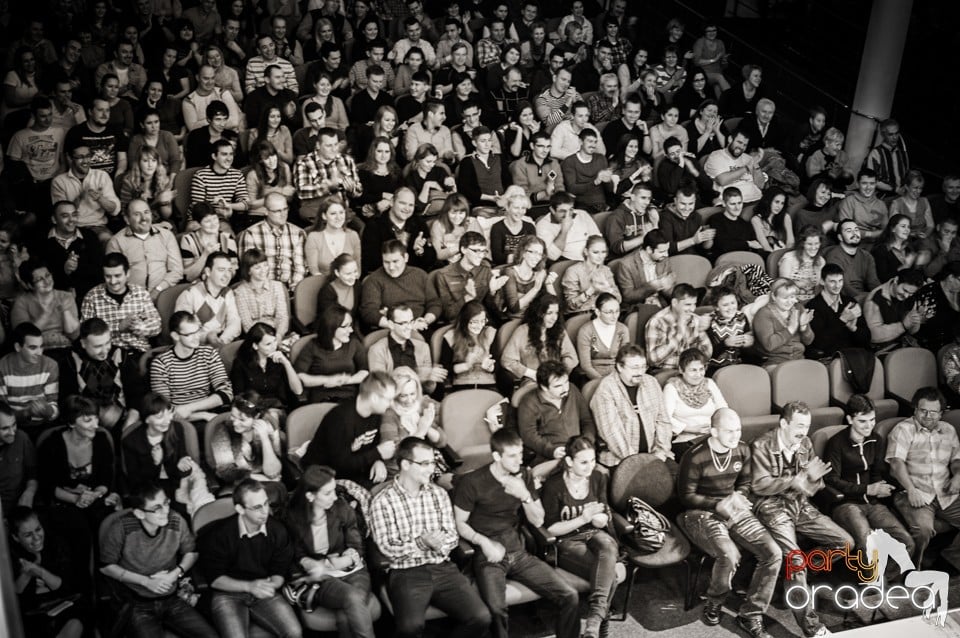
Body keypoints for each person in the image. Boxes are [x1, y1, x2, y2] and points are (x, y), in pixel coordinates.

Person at [453, 428, 581, 638]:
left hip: (518, 552)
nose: (518, 460)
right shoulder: (472, 482)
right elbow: (460, 523)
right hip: (488, 556)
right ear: (496, 456)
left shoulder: (524, 475)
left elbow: (538, 520)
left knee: (570, 595)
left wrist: (525, 496)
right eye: (512, 456)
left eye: (520, 454)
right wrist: (483, 542)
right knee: (496, 610)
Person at [368, 436, 492, 638]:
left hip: (442, 567)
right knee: (410, 628)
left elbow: (451, 535)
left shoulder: (439, 494)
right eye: (424, 463)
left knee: (481, 617)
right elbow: (386, 547)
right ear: (406, 464)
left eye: (433, 462)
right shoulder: (382, 501)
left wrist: (437, 544)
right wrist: (421, 543)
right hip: (406, 574)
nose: (432, 469)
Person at [751, 401, 854, 638]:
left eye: (807, 426)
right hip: (771, 506)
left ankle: (795, 575)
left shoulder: (805, 444)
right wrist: (795, 481)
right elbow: (759, 484)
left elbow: (815, 482)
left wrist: (812, 481)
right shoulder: (761, 445)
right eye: (798, 425)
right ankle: (812, 627)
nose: (803, 432)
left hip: (800, 504)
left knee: (845, 543)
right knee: (796, 562)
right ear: (784, 423)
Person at [677, 408, 781, 638]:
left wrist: (738, 497)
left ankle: (751, 613)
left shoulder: (742, 449)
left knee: (773, 553)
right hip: (700, 513)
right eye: (729, 431)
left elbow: (745, 482)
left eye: (738, 430)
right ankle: (715, 599)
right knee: (729, 555)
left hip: (733, 509)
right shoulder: (695, 456)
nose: (736, 436)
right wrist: (717, 504)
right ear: (713, 431)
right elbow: (686, 496)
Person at [100, 482, 217, 638]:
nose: (166, 511)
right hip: (137, 603)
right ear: (140, 514)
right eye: (157, 508)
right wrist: (146, 581)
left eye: (166, 503)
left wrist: (175, 574)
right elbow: (106, 566)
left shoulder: (176, 520)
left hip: (172, 599)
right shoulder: (121, 527)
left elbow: (192, 553)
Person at [198, 479, 301, 638]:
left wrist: (271, 585)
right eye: (257, 507)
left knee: (294, 633)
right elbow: (215, 578)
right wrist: (249, 586)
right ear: (240, 509)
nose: (265, 512)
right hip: (228, 593)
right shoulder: (219, 534)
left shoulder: (278, 531)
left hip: (264, 586)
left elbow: (280, 570)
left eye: (266, 504)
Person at [284, 466, 377, 638]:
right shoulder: (292, 517)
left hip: (353, 571)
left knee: (345, 617)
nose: (335, 497)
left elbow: (357, 545)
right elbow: (294, 552)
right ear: (310, 496)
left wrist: (345, 560)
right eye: (327, 493)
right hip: (322, 577)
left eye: (334, 490)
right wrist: (308, 562)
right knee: (353, 597)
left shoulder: (341, 507)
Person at [541, 436, 619, 638]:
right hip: (566, 541)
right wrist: (583, 517)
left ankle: (593, 622)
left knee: (608, 545)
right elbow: (551, 529)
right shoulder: (553, 486)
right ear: (569, 461)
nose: (590, 467)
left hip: (592, 533)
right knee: (611, 577)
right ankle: (598, 623)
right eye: (583, 462)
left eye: (592, 460)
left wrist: (601, 517)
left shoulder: (598, 477)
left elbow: (604, 510)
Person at [824, 395, 916, 560]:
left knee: (906, 542)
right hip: (846, 504)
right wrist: (868, 489)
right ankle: (875, 583)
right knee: (868, 544)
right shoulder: (836, 443)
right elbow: (832, 480)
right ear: (850, 420)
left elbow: (876, 472)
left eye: (872, 420)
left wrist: (881, 488)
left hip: (872, 503)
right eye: (863, 421)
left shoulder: (876, 439)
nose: (869, 426)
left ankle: (882, 580)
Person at [886, 387, 960, 568]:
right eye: (923, 410)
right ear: (915, 410)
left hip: (945, 492)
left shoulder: (948, 430)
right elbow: (896, 463)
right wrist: (911, 490)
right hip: (914, 491)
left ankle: (950, 558)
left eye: (933, 412)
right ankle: (911, 570)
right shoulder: (903, 429)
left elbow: (956, 460)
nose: (928, 416)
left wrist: (958, 476)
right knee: (923, 530)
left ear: (941, 413)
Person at [300, 371, 396, 488]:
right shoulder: (340, 419)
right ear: (375, 398)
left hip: (354, 472)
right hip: (323, 476)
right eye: (389, 399)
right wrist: (377, 454)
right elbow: (340, 465)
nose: (391, 404)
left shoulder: (376, 414)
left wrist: (377, 460)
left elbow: (372, 446)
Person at [38, 396, 119, 529]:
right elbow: (47, 486)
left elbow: (106, 480)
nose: (96, 425)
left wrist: (95, 494)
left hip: (95, 501)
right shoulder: (51, 444)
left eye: (96, 418)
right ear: (71, 423)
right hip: (64, 503)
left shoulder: (101, 440)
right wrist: (75, 499)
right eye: (88, 420)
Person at [9, 506, 87, 638]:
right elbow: (15, 596)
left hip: (62, 604)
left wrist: (39, 571)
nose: (36, 538)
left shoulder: (57, 544)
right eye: (28, 535)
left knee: (77, 620)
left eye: (38, 529)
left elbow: (65, 587)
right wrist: (27, 573)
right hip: (31, 614)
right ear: (16, 538)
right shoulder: (10, 554)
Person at [591, 344, 674, 467]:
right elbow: (612, 433)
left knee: (678, 476)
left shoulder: (651, 382)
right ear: (620, 367)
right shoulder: (606, 390)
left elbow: (663, 420)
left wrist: (661, 450)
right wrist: (640, 462)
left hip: (654, 455)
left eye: (643, 367)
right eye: (635, 368)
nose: (640, 372)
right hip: (620, 460)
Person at [150, 311, 234, 424]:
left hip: (208, 417)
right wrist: (202, 415)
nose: (196, 338)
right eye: (189, 334)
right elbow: (164, 410)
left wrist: (189, 408)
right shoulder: (161, 363)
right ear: (175, 336)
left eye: (197, 331)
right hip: (177, 423)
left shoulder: (208, 353)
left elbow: (226, 393)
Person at [518, 359, 596, 469]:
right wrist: (551, 450)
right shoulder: (529, 402)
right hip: (550, 456)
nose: (565, 388)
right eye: (558, 386)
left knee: (602, 475)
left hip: (580, 451)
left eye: (566, 382)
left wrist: (586, 442)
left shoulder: (572, 390)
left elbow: (586, 420)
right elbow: (529, 435)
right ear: (544, 387)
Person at [80, 252, 161, 356]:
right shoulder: (92, 296)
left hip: (138, 351)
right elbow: (85, 332)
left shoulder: (141, 293)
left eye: (117, 276)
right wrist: (118, 327)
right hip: (106, 354)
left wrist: (141, 327)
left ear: (127, 273)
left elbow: (157, 325)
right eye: (108, 276)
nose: (113, 281)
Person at [121, 393, 198, 501]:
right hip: (150, 493)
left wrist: (182, 465)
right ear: (146, 419)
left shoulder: (177, 429)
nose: (167, 420)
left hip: (176, 486)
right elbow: (135, 483)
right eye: (160, 417)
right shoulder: (130, 442)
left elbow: (183, 468)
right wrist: (155, 463)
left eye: (169, 413)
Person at [105, 199, 183, 301]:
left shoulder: (166, 236)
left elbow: (177, 271)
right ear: (127, 219)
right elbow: (114, 277)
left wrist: (158, 290)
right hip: (131, 299)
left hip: (163, 296)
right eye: (137, 214)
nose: (143, 218)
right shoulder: (116, 242)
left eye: (146, 212)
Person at [208, 392, 284, 496]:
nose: (235, 423)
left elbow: (273, 473)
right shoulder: (222, 430)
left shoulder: (268, 427)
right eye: (233, 416)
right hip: (237, 485)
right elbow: (225, 472)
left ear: (257, 417)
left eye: (242, 419)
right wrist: (262, 478)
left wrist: (265, 439)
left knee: (278, 492)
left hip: (268, 483)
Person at [380, 366, 447, 478]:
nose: (410, 400)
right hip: (400, 472)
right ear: (394, 395)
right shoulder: (389, 414)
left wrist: (427, 427)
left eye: (412, 394)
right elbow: (393, 454)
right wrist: (420, 432)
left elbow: (442, 441)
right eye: (403, 396)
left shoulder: (421, 405)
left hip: (426, 467)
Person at [359, 239, 440, 332]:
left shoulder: (421, 275)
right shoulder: (374, 280)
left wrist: (425, 321)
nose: (391, 267)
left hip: (420, 327)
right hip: (389, 329)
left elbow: (435, 303)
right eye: (386, 262)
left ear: (406, 258)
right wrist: (393, 325)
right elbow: (368, 311)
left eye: (395, 261)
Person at [663, 348, 728, 459]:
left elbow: (723, 410)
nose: (698, 374)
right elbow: (665, 419)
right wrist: (691, 429)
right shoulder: (671, 388)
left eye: (701, 369)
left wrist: (715, 428)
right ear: (681, 370)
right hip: (684, 439)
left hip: (712, 436)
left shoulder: (710, 384)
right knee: (704, 458)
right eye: (693, 370)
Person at [50, 142, 121, 243]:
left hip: (97, 226)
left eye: (88, 156)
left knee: (108, 240)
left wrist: (100, 198)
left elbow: (115, 210)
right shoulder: (59, 181)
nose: (85, 161)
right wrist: (80, 197)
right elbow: (60, 214)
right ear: (70, 158)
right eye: (80, 157)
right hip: (71, 228)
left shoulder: (101, 176)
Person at [295, 305, 367, 404]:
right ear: (331, 327)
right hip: (322, 397)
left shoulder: (354, 344)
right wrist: (327, 380)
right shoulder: (312, 346)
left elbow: (365, 371)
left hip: (349, 396)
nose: (351, 330)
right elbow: (300, 376)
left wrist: (345, 380)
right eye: (345, 326)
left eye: (350, 325)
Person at [502, 293, 578, 386]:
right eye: (549, 313)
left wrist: (559, 373)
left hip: (557, 380)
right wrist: (532, 374)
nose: (554, 318)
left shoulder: (560, 331)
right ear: (539, 313)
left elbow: (572, 357)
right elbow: (507, 360)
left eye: (556, 313)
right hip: (532, 381)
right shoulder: (522, 331)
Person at [368, 305, 447, 393]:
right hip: (390, 402)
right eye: (403, 323)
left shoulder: (423, 347)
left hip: (418, 399)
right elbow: (380, 387)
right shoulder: (377, 350)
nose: (409, 327)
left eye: (411, 322)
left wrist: (430, 381)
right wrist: (420, 376)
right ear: (391, 324)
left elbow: (428, 390)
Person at [12, 259, 80, 359]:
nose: (46, 281)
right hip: (36, 352)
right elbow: (23, 337)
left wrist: (65, 311)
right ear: (30, 285)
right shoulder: (21, 302)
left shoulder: (65, 296)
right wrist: (46, 314)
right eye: (39, 279)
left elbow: (74, 335)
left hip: (65, 350)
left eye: (47, 275)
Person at [237, 193, 305, 292]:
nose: (283, 214)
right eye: (277, 211)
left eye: (285, 209)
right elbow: (249, 270)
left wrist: (293, 289)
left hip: (290, 290)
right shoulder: (250, 234)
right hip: (259, 289)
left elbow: (300, 268)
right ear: (266, 211)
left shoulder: (298, 233)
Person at [360, 187, 435, 276]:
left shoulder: (419, 223)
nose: (407, 208)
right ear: (392, 202)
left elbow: (431, 260)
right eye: (403, 203)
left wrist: (420, 252)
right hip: (385, 278)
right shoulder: (374, 226)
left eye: (411, 205)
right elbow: (370, 263)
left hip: (412, 277)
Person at [435, 231, 508, 322]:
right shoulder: (444, 275)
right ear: (463, 250)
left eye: (483, 251)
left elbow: (490, 306)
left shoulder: (485, 269)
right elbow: (448, 314)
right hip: (458, 323)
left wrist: (492, 291)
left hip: (481, 320)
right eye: (476, 251)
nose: (481, 255)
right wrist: (468, 297)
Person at [0, 323, 60, 432]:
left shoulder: (50, 365)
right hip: (13, 427)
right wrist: (26, 412)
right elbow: (2, 413)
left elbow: (54, 407)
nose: (39, 352)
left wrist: (48, 410)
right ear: (18, 347)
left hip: (43, 425)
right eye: (33, 348)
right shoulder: (2, 367)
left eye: (41, 346)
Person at [804, 263, 871, 361]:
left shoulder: (850, 302)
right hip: (831, 359)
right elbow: (819, 344)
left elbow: (867, 338)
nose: (837, 285)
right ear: (822, 281)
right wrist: (842, 320)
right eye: (832, 281)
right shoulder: (813, 306)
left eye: (840, 281)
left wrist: (853, 328)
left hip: (855, 356)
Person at [231, 323, 302, 413]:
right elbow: (239, 397)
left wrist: (286, 363)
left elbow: (298, 390)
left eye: (275, 341)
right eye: (268, 344)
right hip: (252, 410)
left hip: (278, 409)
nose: (274, 346)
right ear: (255, 346)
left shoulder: (280, 358)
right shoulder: (240, 363)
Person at [175, 251, 241, 346]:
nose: (227, 275)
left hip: (220, 344)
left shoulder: (227, 293)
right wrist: (207, 337)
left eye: (229, 270)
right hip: (196, 348)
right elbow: (183, 331)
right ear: (208, 272)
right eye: (221, 270)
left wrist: (221, 340)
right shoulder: (189, 295)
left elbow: (235, 322)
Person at [645, 284, 713, 371]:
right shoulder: (657, 322)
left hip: (690, 370)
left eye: (694, 304)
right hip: (665, 371)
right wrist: (679, 333)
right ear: (674, 303)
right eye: (688, 304)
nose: (692, 309)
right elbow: (653, 360)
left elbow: (707, 355)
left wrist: (701, 331)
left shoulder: (693, 318)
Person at [752, 278, 814, 367]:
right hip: (774, 363)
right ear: (774, 296)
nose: (790, 302)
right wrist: (790, 329)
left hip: (799, 360)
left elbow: (809, 341)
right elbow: (769, 345)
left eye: (792, 297)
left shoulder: (798, 308)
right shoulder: (763, 314)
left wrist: (804, 327)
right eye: (785, 298)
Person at [862, 267, 927, 352]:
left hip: (902, 344)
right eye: (904, 290)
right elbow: (873, 335)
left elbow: (912, 331)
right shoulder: (875, 299)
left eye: (911, 293)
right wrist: (903, 326)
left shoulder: (910, 297)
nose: (906, 296)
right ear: (896, 280)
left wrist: (916, 321)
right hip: (881, 349)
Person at [188, 139, 250, 227]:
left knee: (227, 235)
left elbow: (246, 204)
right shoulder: (201, 176)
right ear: (214, 156)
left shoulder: (237, 174)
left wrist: (228, 205)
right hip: (198, 220)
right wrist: (217, 210)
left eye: (231, 154)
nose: (229, 158)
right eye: (224, 154)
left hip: (221, 220)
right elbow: (198, 209)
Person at [233, 249, 291, 339]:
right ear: (248, 271)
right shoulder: (240, 292)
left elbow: (282, 317)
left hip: (277, 334)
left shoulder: (277, 286)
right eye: (257, 268)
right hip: (255, 338)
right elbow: (247, 325)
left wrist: (278, 336)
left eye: (265, 265)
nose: (263, 270)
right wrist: (264, 340)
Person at [440, 301, 497, 388]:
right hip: (462, 383)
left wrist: (490, 367)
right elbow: (445, 369)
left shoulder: (490, 333)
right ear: (464, 320)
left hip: (487, 382)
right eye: (474, 322)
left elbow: (499, 365)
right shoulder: (450, 336)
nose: (479, 326)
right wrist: (466, 365)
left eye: (483, 321)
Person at [823, 219, 881, 301]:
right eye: (849, 231)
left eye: (856, 230)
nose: (854, 233)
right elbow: (844, 287)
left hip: (864, 296)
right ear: (840, 237)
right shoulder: (834, 255)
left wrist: (882, 294)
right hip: (841, 297)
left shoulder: (866, 256)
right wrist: (867, 298)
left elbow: (873, 282)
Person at [118, 145, 178, 224]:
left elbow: (166, 216)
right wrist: (157, 201)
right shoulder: (129, 182)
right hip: (137, 223)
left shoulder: (164, 180)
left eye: (154, 160)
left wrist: (165, 203)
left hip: (160, 222)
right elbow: (125, 213)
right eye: (145, 161)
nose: (150, 165)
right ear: (139, 163)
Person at [561, 235, 619, 315]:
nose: (600, 256)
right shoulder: (573, 271)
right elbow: (570, 305)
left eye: (603, 252)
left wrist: (608, 289)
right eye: (595, 252)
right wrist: (591, 290)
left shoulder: (606, 270)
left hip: (602, 313)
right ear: (586, 252)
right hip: (580, 314)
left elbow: (618, 299)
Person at [304, 196, 361, 277]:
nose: (338, 217)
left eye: (341, 212)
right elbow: (314, 271)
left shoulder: (353, 235)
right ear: (324, 216)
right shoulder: (314, 237)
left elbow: (357, 270)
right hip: (323, 285)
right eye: (333, 213)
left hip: (349, 284)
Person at [703, 130, 764, 204]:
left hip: (757, 199)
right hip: (734, 203)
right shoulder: (716, 156)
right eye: (739, 142)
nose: (741, 147)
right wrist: (746, 168)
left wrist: (756, 165)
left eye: (745, 145)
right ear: (730, 139)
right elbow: (722, 180)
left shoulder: (748, 158)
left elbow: (761, 185)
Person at [0, 402, 37, 514]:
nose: (12, 432)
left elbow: (33, 472)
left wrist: (29, 491)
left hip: (19, 507)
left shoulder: (22, 438)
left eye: (14, 425)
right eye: (5, 428)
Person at [245, 140, 296, 220]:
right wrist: (278, 193)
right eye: (266, 159)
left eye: (273, 156)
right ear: (260, 161)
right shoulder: (253, 175)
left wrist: (270, 193)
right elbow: (251, 204)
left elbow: (290, 194)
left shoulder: (284, 167)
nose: (272, 161)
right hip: (259, 214)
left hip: (281, 211)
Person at [707, 186, 764, 259]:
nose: (737, 208)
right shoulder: (716, 220)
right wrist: (748, 244)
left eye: (739, 203)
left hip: (745, 261)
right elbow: (723, 245)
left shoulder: (745, 224)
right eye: (733, 204)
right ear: (724, 204)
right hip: (724, 261)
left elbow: (756, 245)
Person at [659, 185, 716, 256]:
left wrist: (708, 237)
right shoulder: (665, 217)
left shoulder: (696, 216)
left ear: (695, 202)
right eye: (683, 203)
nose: (687, 208)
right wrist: (693, 240)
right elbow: (667, 248)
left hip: (695, 258)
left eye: (691, 204)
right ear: (675, 201)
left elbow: (704, 248)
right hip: (674, 259)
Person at [706, 287, 754, 370]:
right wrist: (725, 344)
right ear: (716, 307)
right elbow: (708, 353)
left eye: (733, 303)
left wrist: (749, 342)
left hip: (740, 362)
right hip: (717, 365)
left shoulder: (742, 317)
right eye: (725, 305)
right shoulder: (710, 322)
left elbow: (747, 346)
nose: (731, 307)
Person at [838, 169, 889, 246]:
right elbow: (844, 230)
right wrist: (871, 234)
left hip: (876, 244)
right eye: (864, 183)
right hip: (854, 243)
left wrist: (879, 234)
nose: (868, 187)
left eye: (872, 183)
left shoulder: (881, 204)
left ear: (876, 184)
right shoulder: (849, 201)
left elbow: (885, 230)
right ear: (858, 184)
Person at [490, 187, 537, 266]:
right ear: (507, 208)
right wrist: (522, 257)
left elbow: (534, 252)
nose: (520, 212)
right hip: (505, 267)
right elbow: (497, 258)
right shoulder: (497, 228)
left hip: (526, 266)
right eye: (516, 208)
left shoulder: (530, 227)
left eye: (523, 208)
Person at [778, 225, 825, 303]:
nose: (813, 248)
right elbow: (783, 286)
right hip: (791, 301)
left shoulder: (821, 261)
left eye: (816, 243)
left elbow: (819, 288)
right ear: (802, 243)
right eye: (809, 244)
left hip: (813, 302)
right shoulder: (788, 259)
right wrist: (799, 283)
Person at [864, 118, 909, 196]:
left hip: (902, 196)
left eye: (896, 133)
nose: (895, 137)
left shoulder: (902, 152)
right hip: (883, 198)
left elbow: (906, 173)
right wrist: (895, 189)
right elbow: (872, 180)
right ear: (883, 135)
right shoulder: (876, 153)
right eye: (891, 134)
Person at [871, 214, 919, 282]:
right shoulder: (881, 250)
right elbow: (882, 278)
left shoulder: (908, 249)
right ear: (893, 229)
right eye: (903, 226)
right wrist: (904, 267)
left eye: (908, 227)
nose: (907, 230)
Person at [889, 169, 935, 238]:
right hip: (902, 238)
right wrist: (913, 235)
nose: (918, 191)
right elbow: (894, 228)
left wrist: (925, 235)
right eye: (915, 188)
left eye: (920, 188)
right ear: (907, 187)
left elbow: (930, 225)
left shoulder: (924, 201)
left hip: (921, 239)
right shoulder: (897, 204)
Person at [751, 187, 794, 253]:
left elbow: (790, 242)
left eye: (782, 203)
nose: (779, 206)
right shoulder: (756, 220)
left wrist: (787, 256)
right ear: (768, 201)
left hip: (784, 253)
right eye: (777, 202)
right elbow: (765, 246)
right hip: (766, 255)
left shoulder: (785, 217)